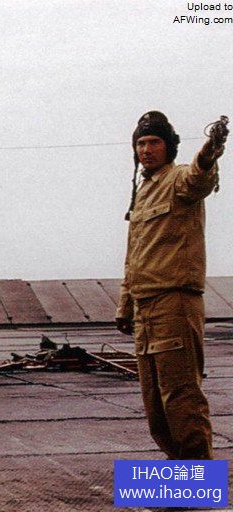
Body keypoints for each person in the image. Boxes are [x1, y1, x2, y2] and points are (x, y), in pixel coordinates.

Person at [116, 111, 225, 460]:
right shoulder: (143, 191)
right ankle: (178, 476)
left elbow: (199, 178)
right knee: (154, 405)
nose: (146, 150)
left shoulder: (178, 179)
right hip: (144, 308)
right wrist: (125, 304)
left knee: (181, 397)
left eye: (154, 142)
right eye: (141, 143)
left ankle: (198, 480)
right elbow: (135, 254)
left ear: (170, 147)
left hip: (174, 304)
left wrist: (209, 151)